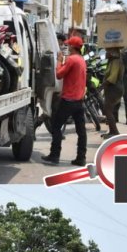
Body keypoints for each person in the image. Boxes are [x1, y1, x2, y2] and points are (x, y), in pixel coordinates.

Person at [42, 35, 88, 166]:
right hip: (79, 100)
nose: (67, 47)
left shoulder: (72, 59)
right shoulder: (81, 60)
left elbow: (59, 74)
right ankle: (81, 157)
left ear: (73, 47)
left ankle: (54, 155)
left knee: (56, 127)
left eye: (68, 45)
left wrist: (58, 61)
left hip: (68, 100)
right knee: (81, 131)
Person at [100, 48, 125, 138]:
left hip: (114, 89)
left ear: (113, 53)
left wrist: (102, 86)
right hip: (112, 89)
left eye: (107, 52)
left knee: (108, 110)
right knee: (109, 110)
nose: (106, 53)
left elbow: (112, 78)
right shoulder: (111, 61)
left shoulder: (116, 61)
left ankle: (115, 132)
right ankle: (112, 131)